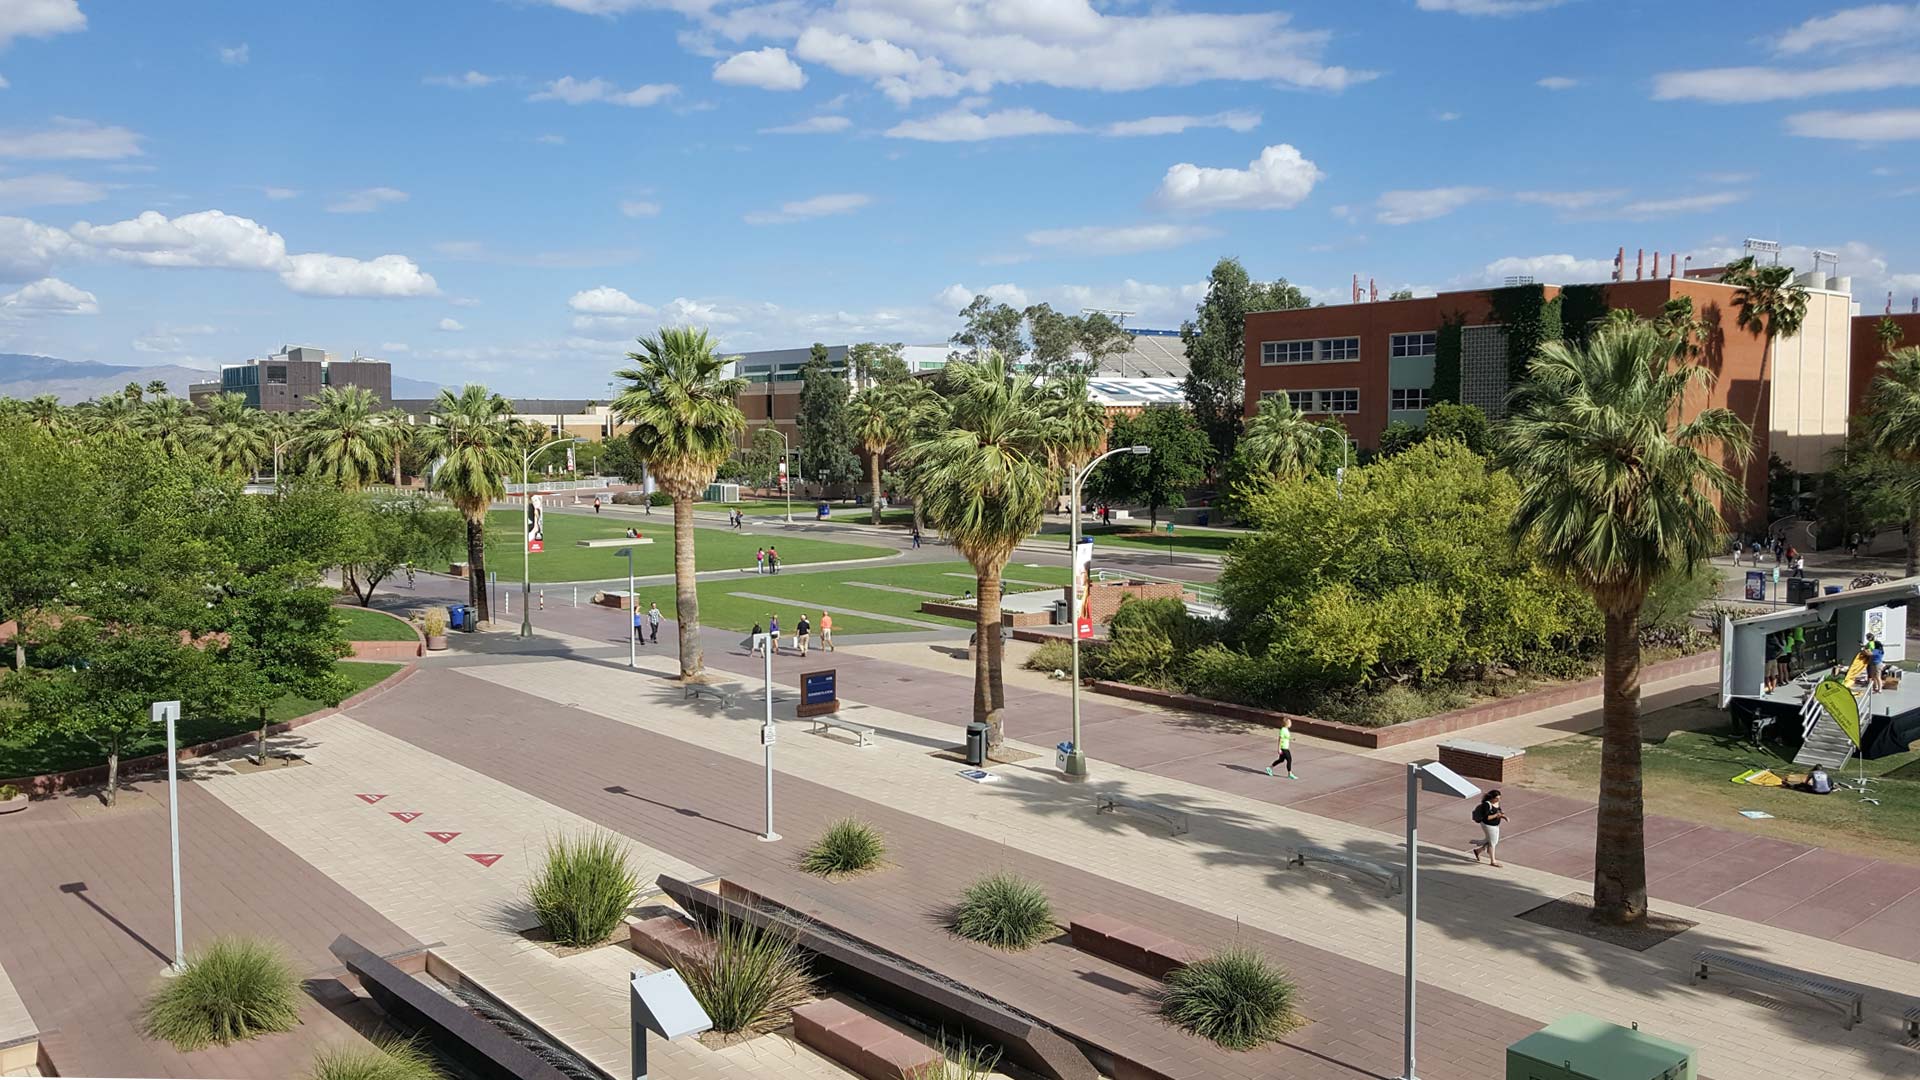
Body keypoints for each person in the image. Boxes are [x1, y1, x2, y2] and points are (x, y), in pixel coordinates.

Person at [1470, 790, 1506, 866]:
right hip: (1488, 825)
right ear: (1491, 798)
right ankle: (1493, 861)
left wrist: (1503, 816)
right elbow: (1487, 818)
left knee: (1492, 841)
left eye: (1499, 798)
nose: (1498, 800)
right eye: (1496, 798)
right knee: (1493, 842)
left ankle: (1478, 850)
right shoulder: (1486, 804)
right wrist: (1496, 815)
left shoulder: (1497, 803)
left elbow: (1498, 812)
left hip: (1495, 825)